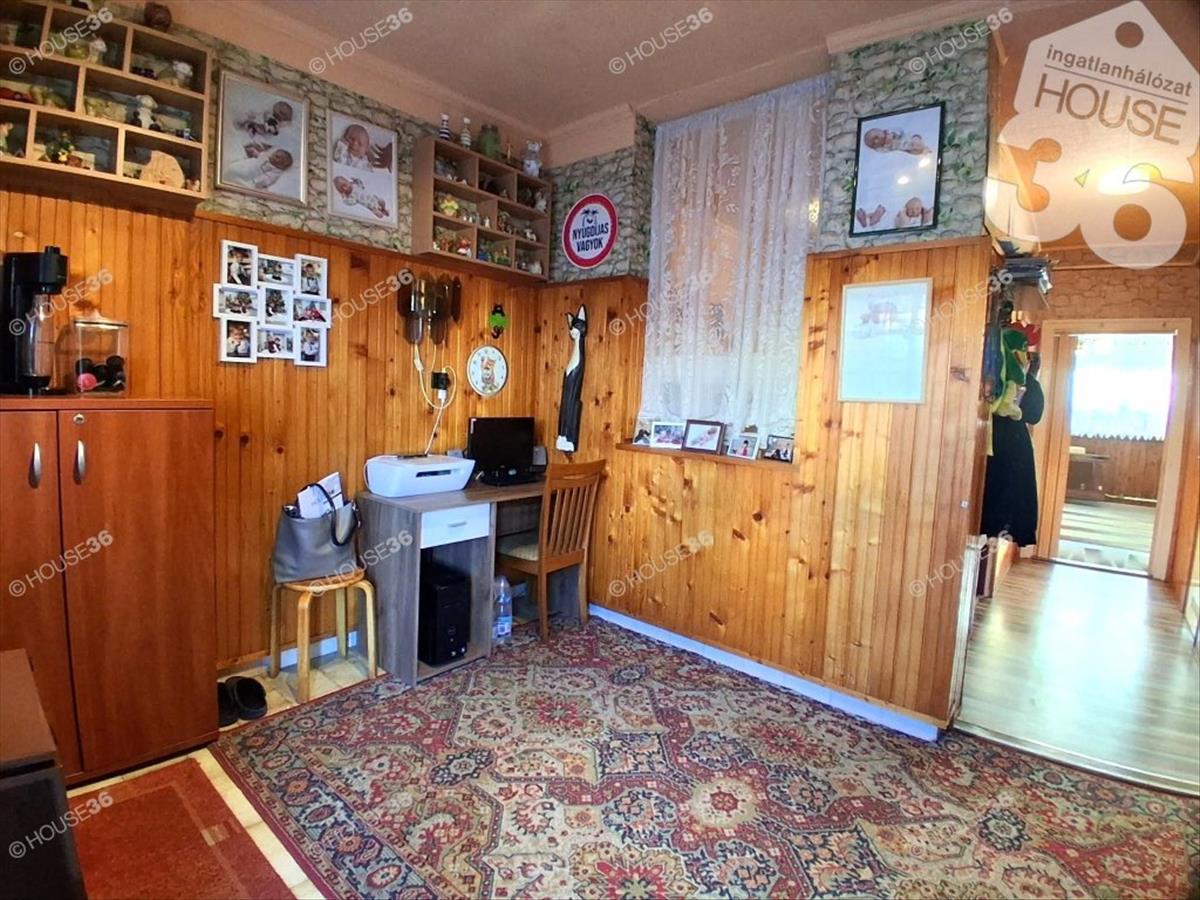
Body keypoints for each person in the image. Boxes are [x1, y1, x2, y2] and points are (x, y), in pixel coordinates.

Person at [223, 147, 293, 191]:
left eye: (282, 162)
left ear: (282, 167)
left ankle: (232, 176)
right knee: (234, 168)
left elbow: (267, 178)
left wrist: (256, 181)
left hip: (255, 173)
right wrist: (253, 151)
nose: (277, 160)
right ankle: (231, 171)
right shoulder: (266, 156)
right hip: (251, 164)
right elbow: (259, 155)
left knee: (239, 176)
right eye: (277, 156)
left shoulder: (276, 172)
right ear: (273, 153)